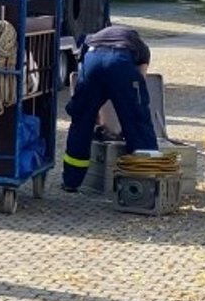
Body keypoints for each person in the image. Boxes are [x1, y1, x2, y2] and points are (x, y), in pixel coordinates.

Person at [58, 24, 159, 192]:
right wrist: (127, 113)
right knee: (138, 122)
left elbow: (82, 78)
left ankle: (71, 181)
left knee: (80, 122)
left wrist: (92, 110)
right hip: (120, 62)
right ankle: (144, 182)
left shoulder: (90, 39)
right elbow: (139, 84)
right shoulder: (141, 48)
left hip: (92, 60)